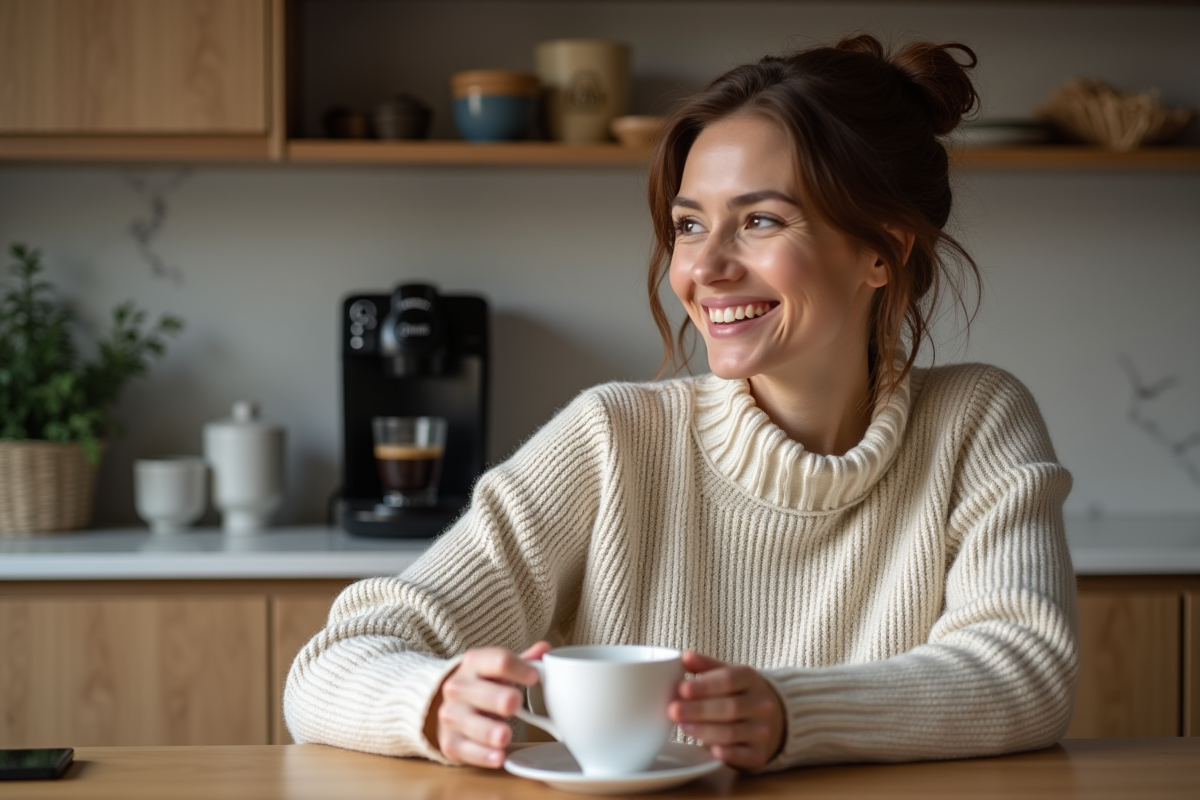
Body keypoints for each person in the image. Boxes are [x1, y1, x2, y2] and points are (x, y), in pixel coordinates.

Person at [284, 34, 1077, 773]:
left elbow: (1027, 671)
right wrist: (431, 705)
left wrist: (790, 712)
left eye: (761, 220)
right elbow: (330, 664)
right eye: (690, 226)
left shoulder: (977, 419)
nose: (706, 268)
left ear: (882, 250)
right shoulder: (611, 440)